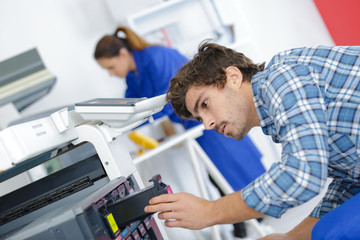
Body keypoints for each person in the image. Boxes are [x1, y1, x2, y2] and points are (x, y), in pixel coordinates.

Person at [144, 41, 360, 239]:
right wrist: (291, 238)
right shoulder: (280, 117)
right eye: (200, 118)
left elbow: (302, 175)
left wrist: (211, 211)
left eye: (205, 104)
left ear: (233, 78)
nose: (208, 124)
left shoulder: (281, 78)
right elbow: (350, 183)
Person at [94, 26, 266, 238]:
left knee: (234, 165)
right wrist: (113, 123)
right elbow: (133, 106)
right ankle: (241, 218)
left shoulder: (156, 57)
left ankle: (256, 211)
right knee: (216, 173)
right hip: (194, 125)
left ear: (122, 54)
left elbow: (171, 100)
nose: (111, 73)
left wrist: (132, 123)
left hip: (209, 116)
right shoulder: (132, 77)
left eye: (110, 67)